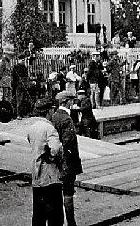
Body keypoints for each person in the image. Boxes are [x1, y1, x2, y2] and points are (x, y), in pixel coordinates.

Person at [27, 98, 63, 226]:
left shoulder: (32, 128)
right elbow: (55, 149)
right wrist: (53, 157)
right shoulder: (49, 128)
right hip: (50, 176)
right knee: (55, 215)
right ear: (49, 111)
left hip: (36, 176)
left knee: (38, 214)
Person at [52, 91, 83, 226]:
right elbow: (69, 142)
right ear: (67, 102)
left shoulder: (54, 116)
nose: (73, 103)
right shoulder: (66, 118)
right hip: (67, 161)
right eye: (71, 101)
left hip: (56, 160)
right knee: (68, 191)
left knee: (58, 191)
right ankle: (71, 222)